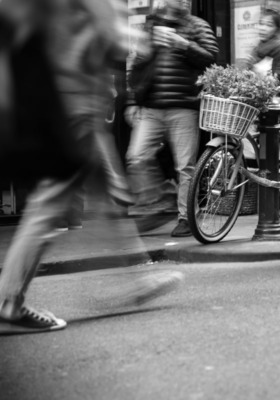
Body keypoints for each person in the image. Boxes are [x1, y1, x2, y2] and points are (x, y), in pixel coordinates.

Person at [0, 0, 182, 335]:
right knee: (51, 204)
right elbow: (112, 38)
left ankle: (138, 279)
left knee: (107, 194)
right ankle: (8, 300)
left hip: (66, 103)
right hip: (75, 107)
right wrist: (146, 39)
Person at [126, 0, 218, 237]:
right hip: (151, 107)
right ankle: (159, 200)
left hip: (184, 106)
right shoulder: (151, 26)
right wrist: (133, 100)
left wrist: (185, 45)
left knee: (185, 166)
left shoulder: (197, 25)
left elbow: (211, 58)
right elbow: (137, 63)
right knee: (136, 156)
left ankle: (186, 217)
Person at [243, 8, 280, 107]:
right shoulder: (257, 49)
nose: (262, 28)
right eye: (261, 23)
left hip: (277, 108)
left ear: (277, 30)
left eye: (269, 25)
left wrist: (254, 70)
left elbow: (278, 82)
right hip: (256, 104)